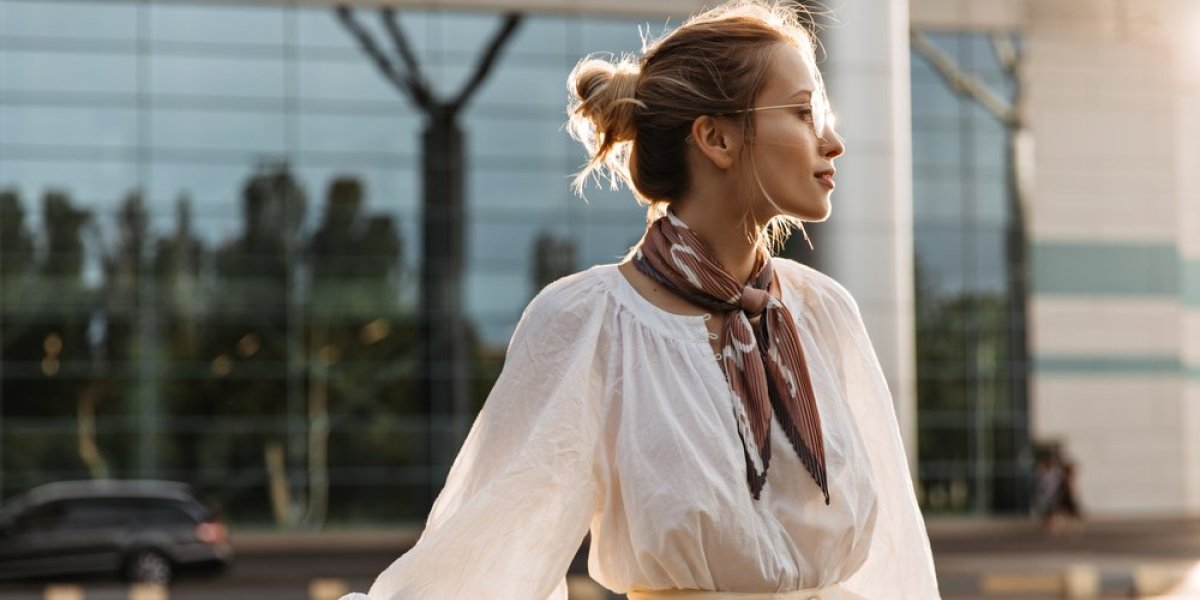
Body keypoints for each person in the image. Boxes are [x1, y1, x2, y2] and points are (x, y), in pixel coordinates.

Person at [343, 1, 939, 598]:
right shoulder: (591, 321)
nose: (833, 142)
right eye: (804, 113)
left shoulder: (822, 310)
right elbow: (489, 551)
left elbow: (897, 565)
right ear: (716, 138)